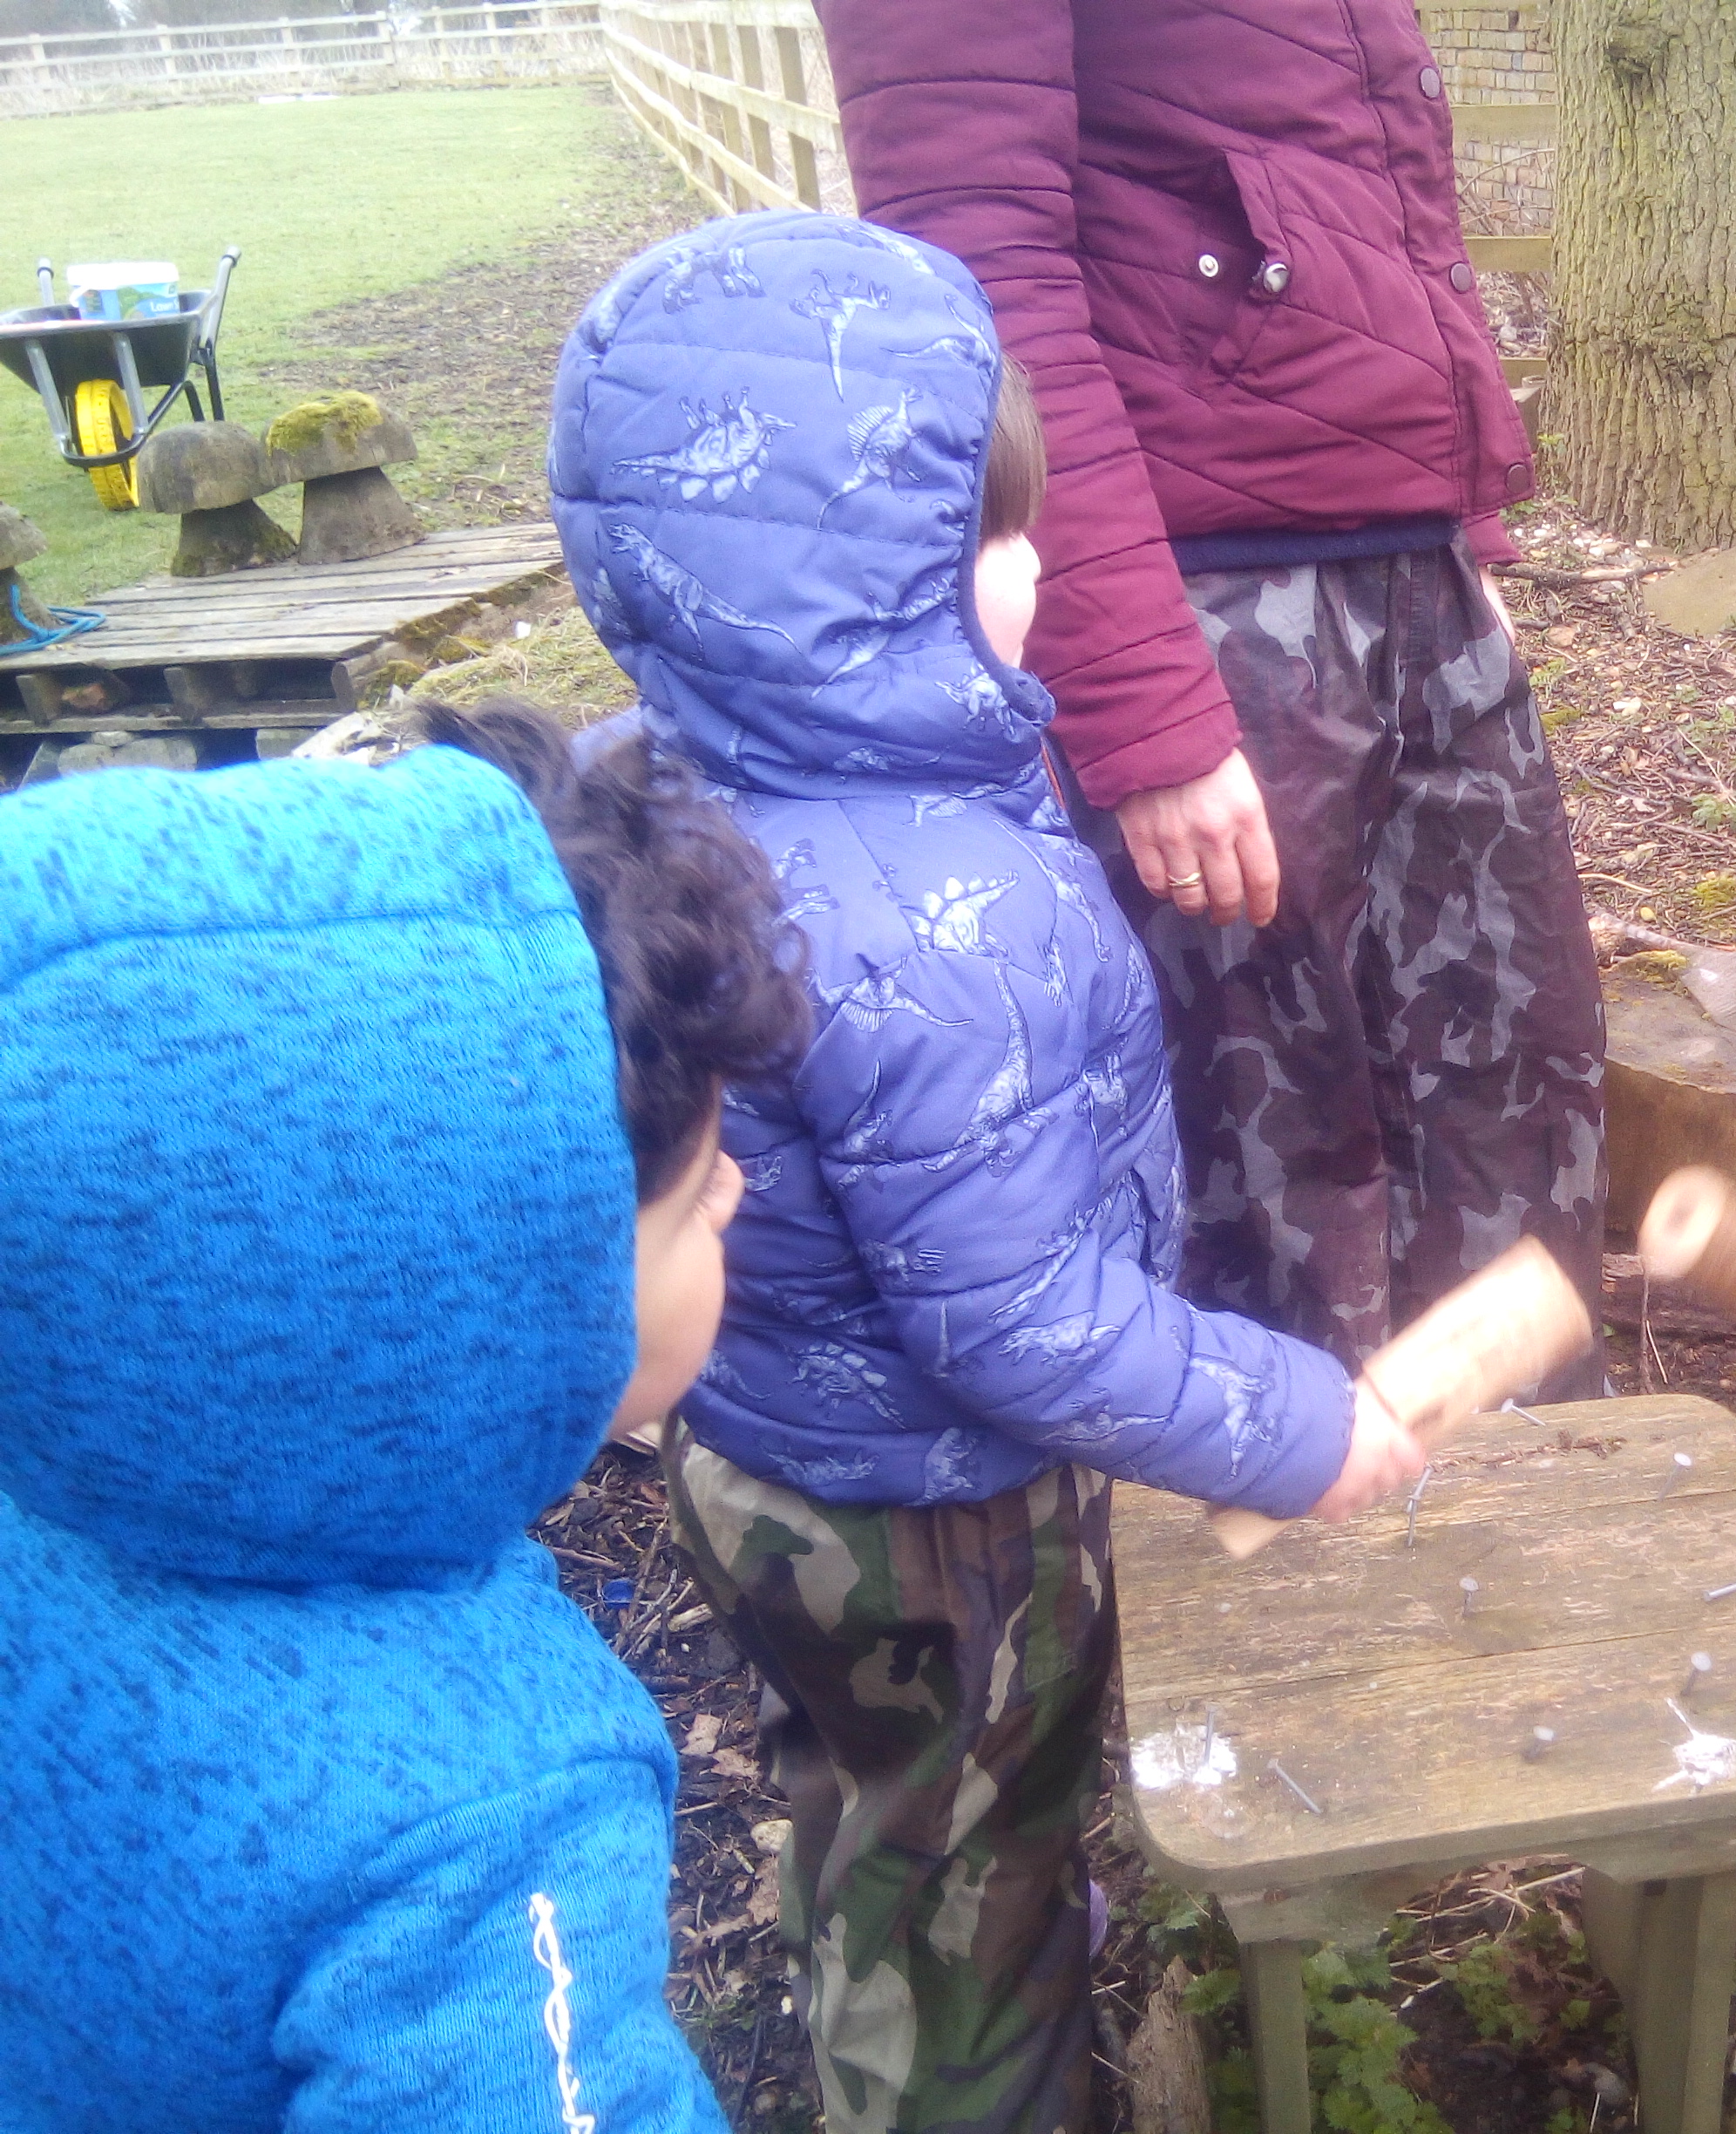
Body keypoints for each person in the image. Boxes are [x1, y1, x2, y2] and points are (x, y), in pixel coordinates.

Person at [548, 211, 1427, 2134]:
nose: (1039, 569)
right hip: (932, 1513)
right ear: (868, 603)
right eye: (996, 536)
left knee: (863, 1774)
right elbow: (1018, 1324)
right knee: (977, 1849)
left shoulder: (657, 778)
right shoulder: (939, 918)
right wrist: (1295, 1425)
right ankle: (958, 2054)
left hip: (755, 1441)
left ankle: (876, 1927)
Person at [0, 699, 809, 2129]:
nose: (735, 1191)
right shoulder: (487, 1809)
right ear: (459, 1298)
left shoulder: (52, 1473)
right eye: (690, 1199)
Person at [810, 0, 1608, 1392]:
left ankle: (1536, 1472)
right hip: (1193, 594)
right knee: (1263, 1158)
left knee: (1509, 1069)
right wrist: (1141, 701)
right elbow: (980, 259)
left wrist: (1456, 525)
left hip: (1404, 562)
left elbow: (1372, 186)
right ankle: (1281, 1493)